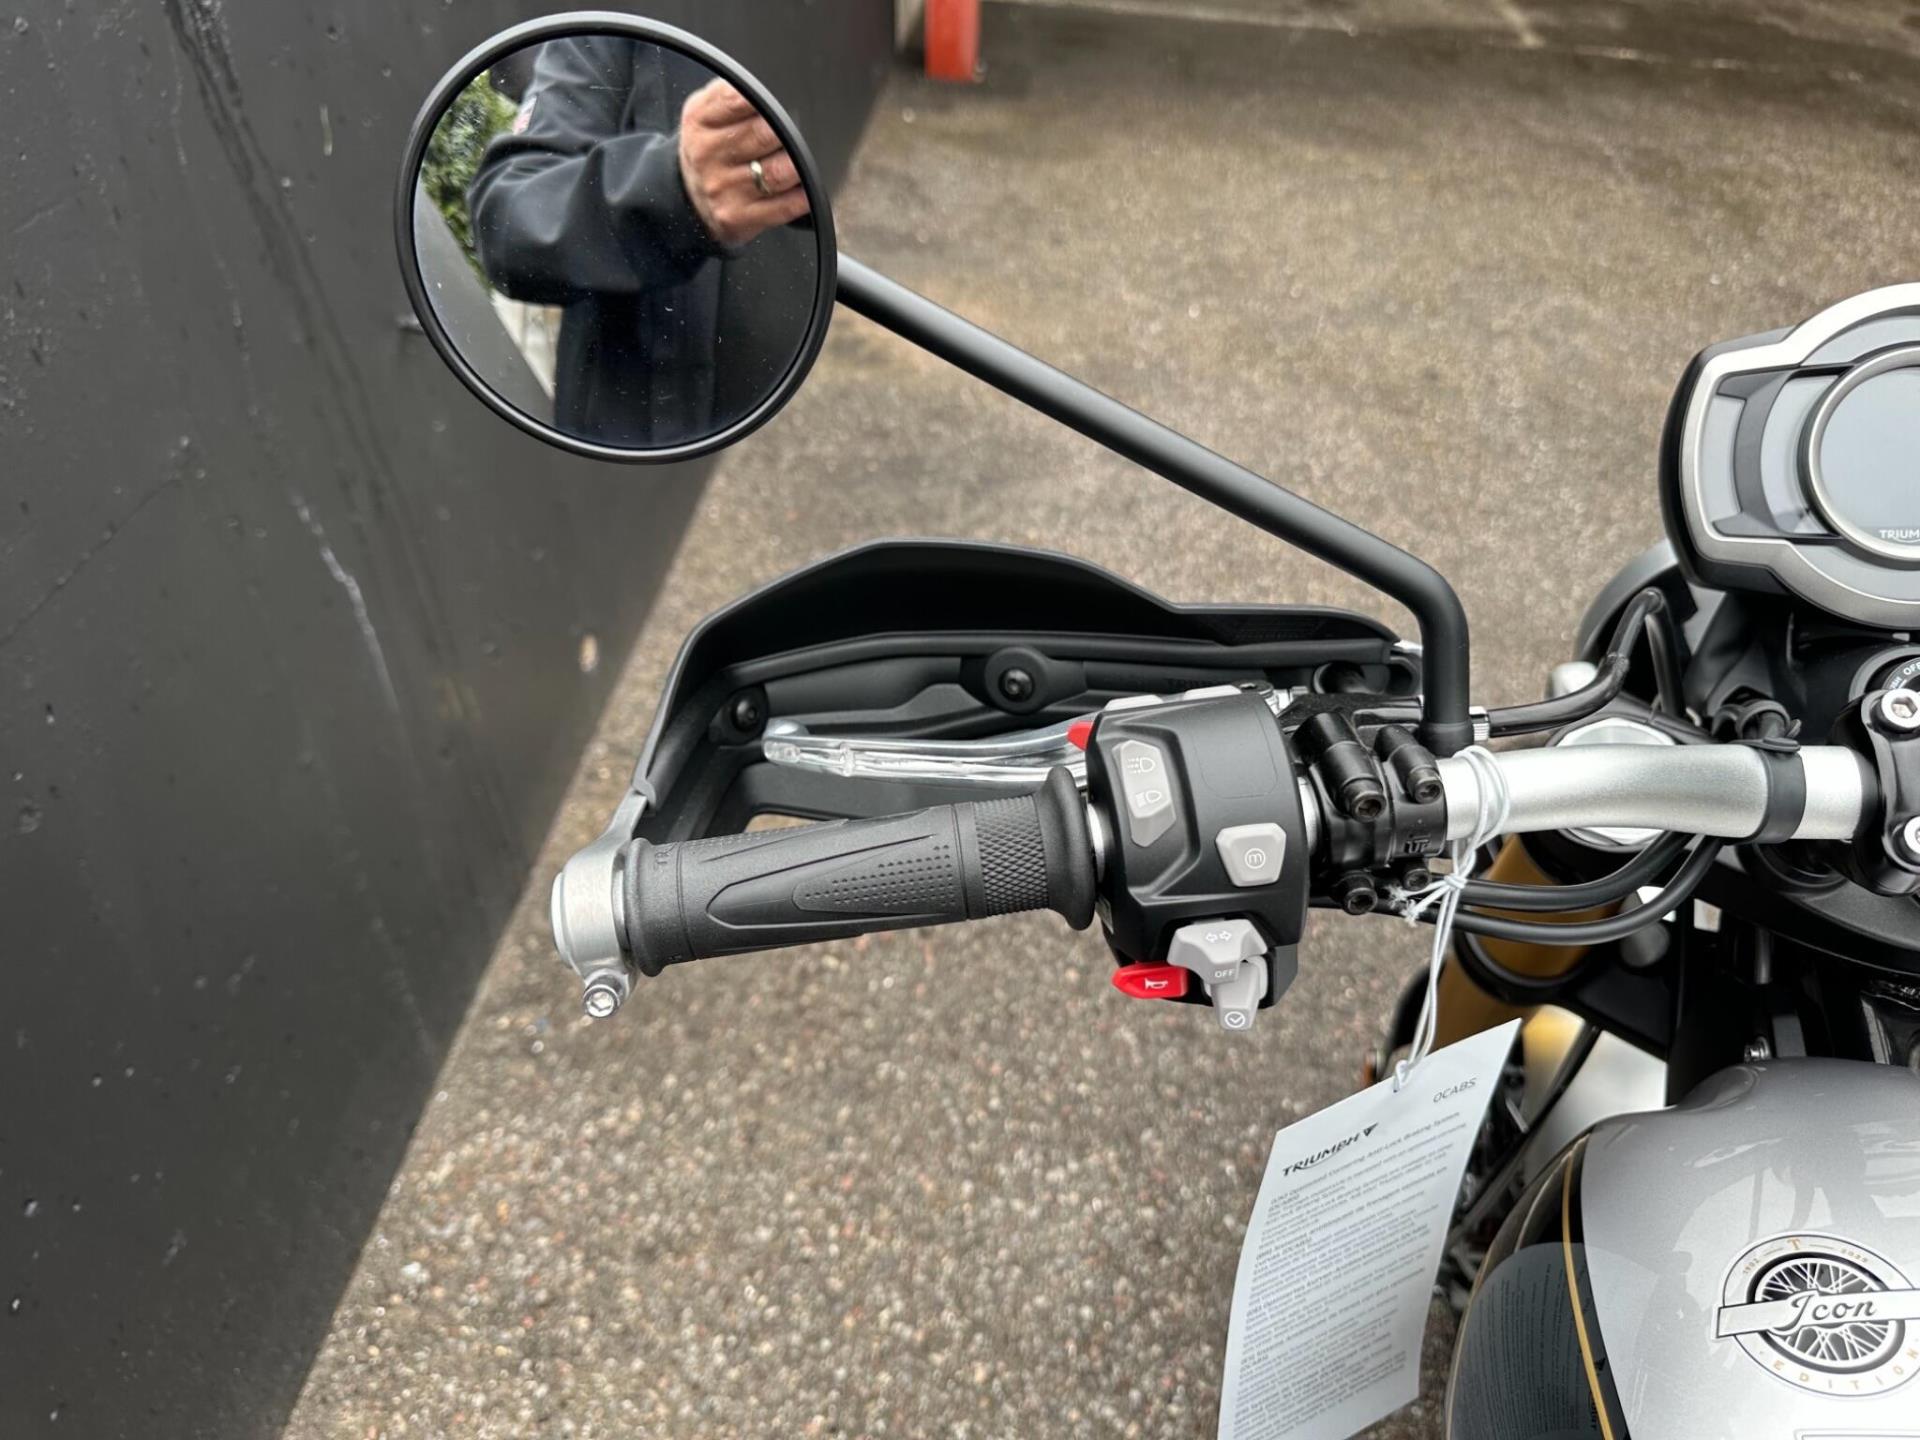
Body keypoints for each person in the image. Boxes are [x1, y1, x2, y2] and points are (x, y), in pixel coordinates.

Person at [469, 36, 816, 448]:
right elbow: (511, 222)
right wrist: (673, 189)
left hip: (799, 412)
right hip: (636, 439)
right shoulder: (610, 31)